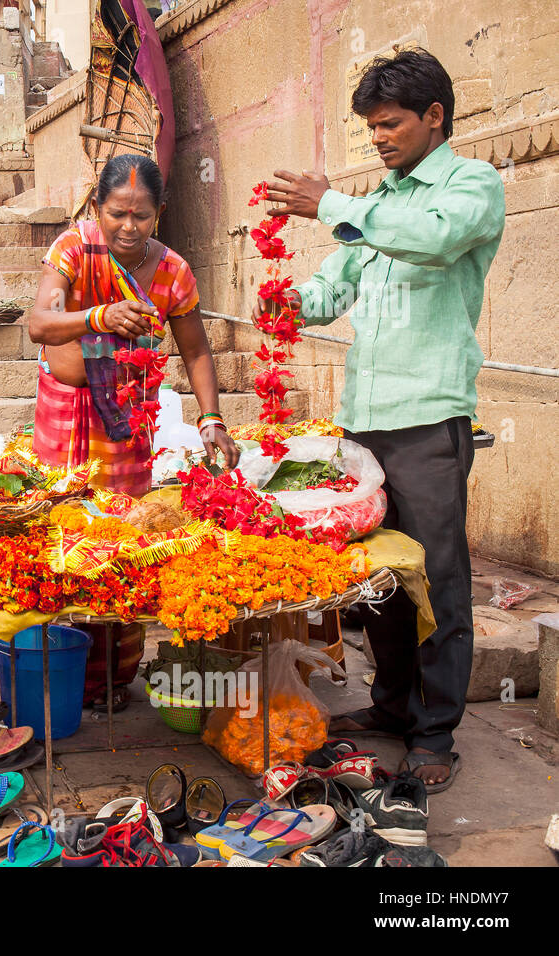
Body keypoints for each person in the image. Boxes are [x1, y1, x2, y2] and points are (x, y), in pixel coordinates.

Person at [258, 49, 505, 793]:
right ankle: (393, 707)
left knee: (435, 580)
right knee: (382, 582)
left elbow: (429, 238)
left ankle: (434, 734)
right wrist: (281, 301)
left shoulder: (470, 186)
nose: (379, 139)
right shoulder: (382, 203)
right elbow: (332, 293)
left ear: (435, 117)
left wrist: (333, 204)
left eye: (390, 124)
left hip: (429, 416)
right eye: (370, 128)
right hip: (365, 421)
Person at [29, 155, 239, 711]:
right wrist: (99, 316)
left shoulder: (173, 271)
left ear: (159, 215)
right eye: (117, 213)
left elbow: (194, 349)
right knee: (63, 540)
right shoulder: (73, 249)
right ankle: (56, 672)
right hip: (66, 419)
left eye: (141, 217)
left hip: (127, 427)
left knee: (122, 544)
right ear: (96, 208)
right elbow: (39, 323)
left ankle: (113, 680)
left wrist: (211, 417)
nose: (128, 227)